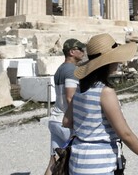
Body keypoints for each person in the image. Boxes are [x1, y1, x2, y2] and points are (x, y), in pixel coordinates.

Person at [62, 33, 138, 175]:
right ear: (107, 62)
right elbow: (125, 134)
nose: (119, 61)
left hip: (77, 161)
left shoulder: (81, 88)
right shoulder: (105, 92)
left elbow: (66, 121)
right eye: (116, 58)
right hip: (100, 165)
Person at [45, 38, 86, 175]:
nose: (83, 52)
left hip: (55, 119)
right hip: (66, 122)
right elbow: (70, 98)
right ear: (72, 52)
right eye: (80, 49)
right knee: (78, 161)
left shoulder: (60, 69)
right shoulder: (71, 70)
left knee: (54, 162)